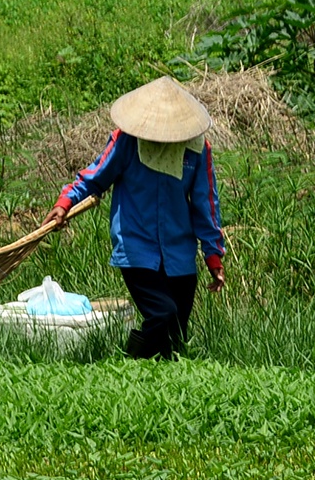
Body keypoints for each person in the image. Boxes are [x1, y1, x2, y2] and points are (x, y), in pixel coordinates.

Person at [50, 76, 224, 359]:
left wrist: (212, 254)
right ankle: (130, 365)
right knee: (163, 314)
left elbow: (205, 203)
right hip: (137, 249)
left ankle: (161, 389)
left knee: (176, 336)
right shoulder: (127, 142)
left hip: (179, 254)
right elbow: (94, 177)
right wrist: (65, 202)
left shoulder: (196, 149)